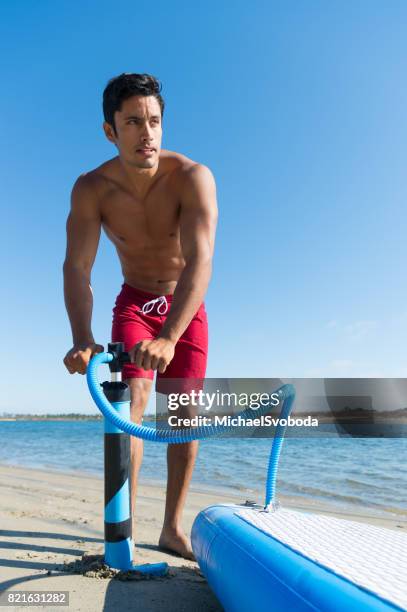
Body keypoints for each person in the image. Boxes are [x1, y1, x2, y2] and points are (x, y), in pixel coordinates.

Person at [63, 73, 218, 560]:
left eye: (154, 121)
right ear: (110, 130)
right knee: (133, 402)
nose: (147, 132)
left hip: (183, 305)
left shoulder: (193, 176)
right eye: (133, 122)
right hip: (134, 301)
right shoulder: (93, 188)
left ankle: (172, 528)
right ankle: (121, 525)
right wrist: (82, 338)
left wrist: (172, 335)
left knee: (182, 416)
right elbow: (78, 266)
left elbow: (200, 261)